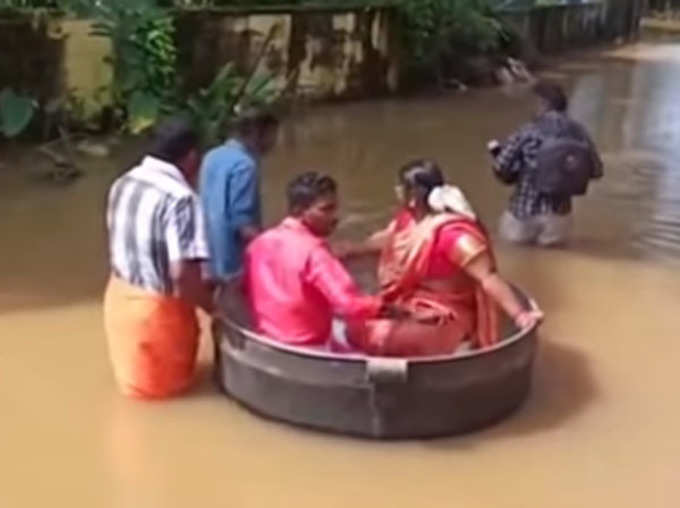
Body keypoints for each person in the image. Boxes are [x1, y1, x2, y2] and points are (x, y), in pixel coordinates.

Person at [339, 160, 543, 357]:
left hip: (446, 316)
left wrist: (520, 315)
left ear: (413, 193)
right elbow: (389, 237)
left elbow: (488, 277)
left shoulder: (453, 235)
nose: (396, 190)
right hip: (407, 304)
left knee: (381, 336)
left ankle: (457, 346)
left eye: (401, 186)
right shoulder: (409, 217)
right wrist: (353, 250)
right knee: (356, 324)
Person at [103, 118, 214, 399]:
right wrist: (215, 310)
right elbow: (182, 275)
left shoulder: (124, 182)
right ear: (191, 157)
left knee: (136, 392)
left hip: (119, 301)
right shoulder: (181, 199)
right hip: (156, 316)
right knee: (169, 396)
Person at [243, 172, 400, 349]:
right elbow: (348, 305)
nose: (335, 218)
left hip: (269, 340)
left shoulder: (259, 244)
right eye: (326, 209)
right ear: (298, 211)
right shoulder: (314, 252)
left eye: (335, 208)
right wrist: (388, 309)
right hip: (309, 347)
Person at [490, 80, 603, 246]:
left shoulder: (528, 131)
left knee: (513, 259)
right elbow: (596, 171)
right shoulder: (579, 132)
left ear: (543, 104)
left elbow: (501, 167)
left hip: (523, 213)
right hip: (559, 218)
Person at [199, 109, 280, 282]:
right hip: (232, 259)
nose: (273, 143)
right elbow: (242, 224)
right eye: (272, 135)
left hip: (208, 255)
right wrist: (276, 250)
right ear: (258, 133)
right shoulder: (245, 165)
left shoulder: (211, 156)